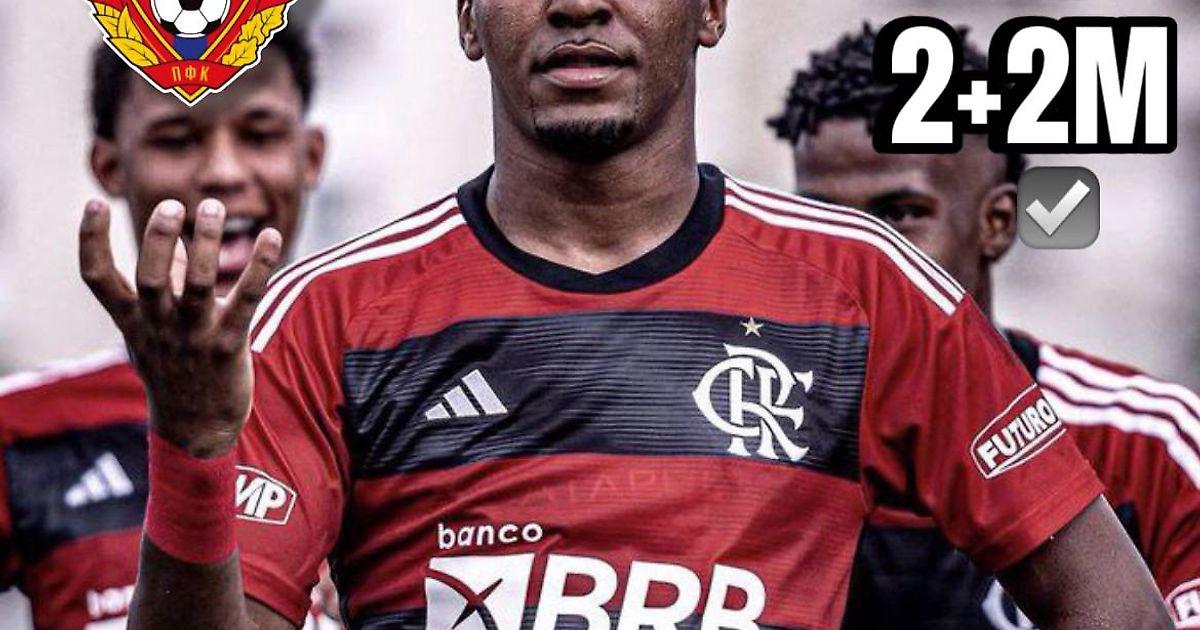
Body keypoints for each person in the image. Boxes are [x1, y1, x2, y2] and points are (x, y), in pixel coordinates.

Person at [77, 2, 1172, 629]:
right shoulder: (330, 316)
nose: (578, 3)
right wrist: (193, 446)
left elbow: (1114, 610)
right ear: (467, 16)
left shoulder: (872, 288)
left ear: (712, 9)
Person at [770, 23, 1200, 630]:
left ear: (996, 223)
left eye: (900, 215)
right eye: (826, 220)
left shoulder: (1146, 446)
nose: (861, 256)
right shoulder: (735, 431)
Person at [0, 29, 338, 629]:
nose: (223, 173)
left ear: (310, 156)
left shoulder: (397, 401)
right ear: (109, 165)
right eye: (177, 139)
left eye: (259, 133)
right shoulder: (24, 427)